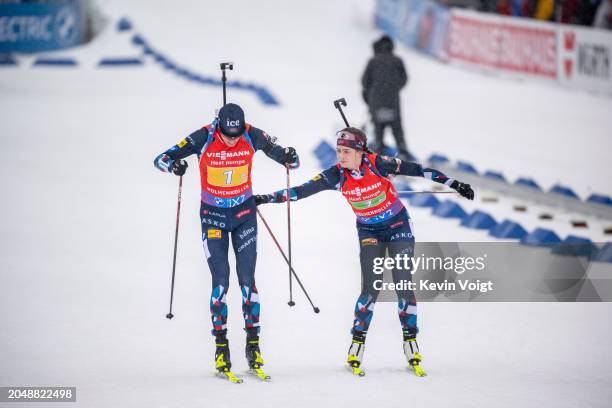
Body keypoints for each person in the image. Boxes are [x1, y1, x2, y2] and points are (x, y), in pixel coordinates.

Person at [254, 127, 474, 376]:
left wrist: (455, 184)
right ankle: (357, 344)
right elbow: (300, 191)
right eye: (338, 151)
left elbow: (420, 170)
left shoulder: (379, 163)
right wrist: (264, 198)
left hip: (398, 226)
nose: (341, 157)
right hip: (369, 232)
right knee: (371, 287)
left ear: (360, 151)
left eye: (346, 151)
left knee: (403, 284)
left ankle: (410, 342)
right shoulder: (336, 175)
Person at [153, 103, 299, 381]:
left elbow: (290, 160)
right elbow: (160, 158)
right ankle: (221, 348)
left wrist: (290, 156)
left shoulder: (252, 134)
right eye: (227, 134)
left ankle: (253, 347)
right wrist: (174, 165)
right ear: (219, 125)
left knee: (248, 281)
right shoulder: (203, 136)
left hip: (244, 216)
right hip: (213, 219)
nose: (232, 139)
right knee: (221, 282)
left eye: (236, 134)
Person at [361, 35, 412, 161]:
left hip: (376, 102)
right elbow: (404, 78)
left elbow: (364, 81)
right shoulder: (397, 61)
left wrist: (370, 95)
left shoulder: (373, 61)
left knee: (379, 129)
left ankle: (378, 155)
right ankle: (403, 152)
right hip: (392, 102)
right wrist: (394, 88)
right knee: (397, 129)